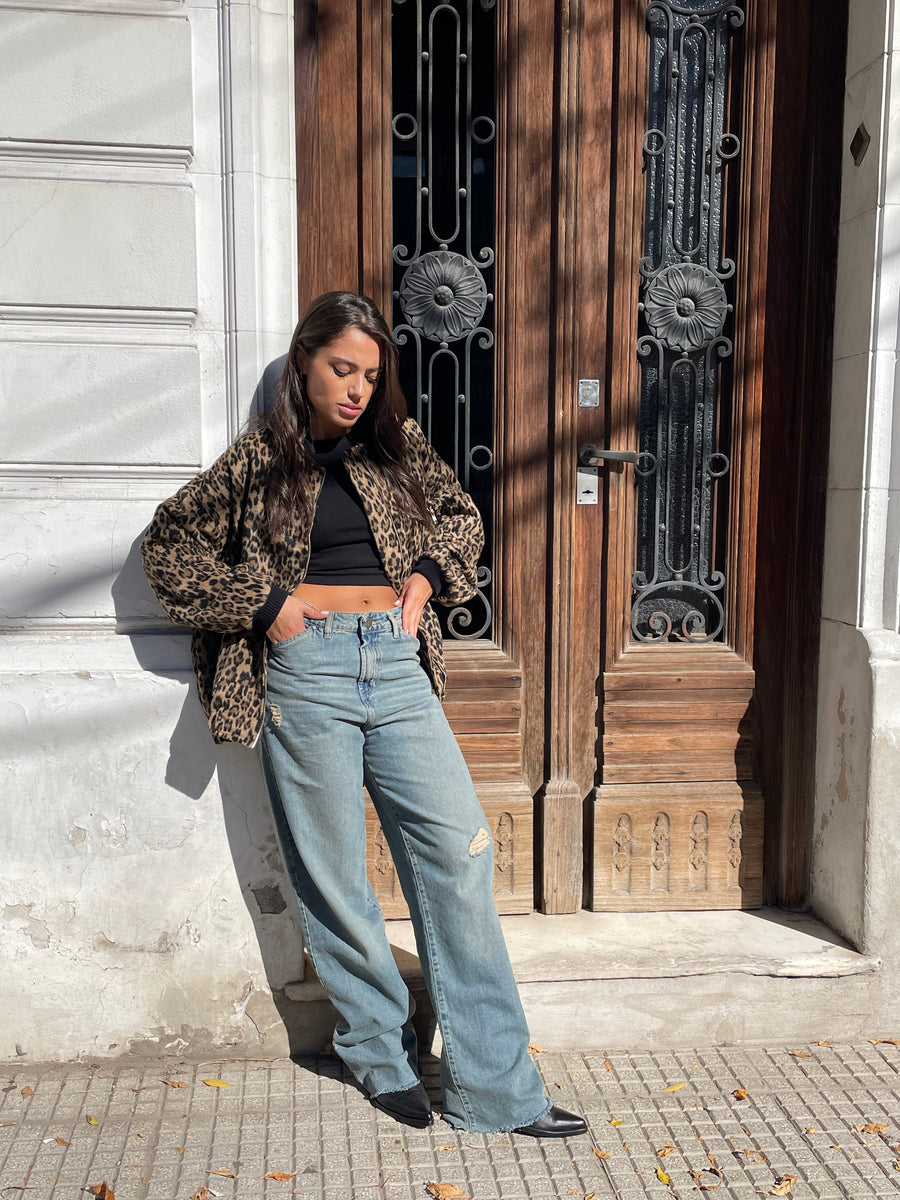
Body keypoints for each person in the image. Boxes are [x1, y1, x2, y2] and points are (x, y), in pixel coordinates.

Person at [141, 291, 587, 1138]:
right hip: (303, 669)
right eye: (342, 369)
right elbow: (169, 547)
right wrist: (265, 601)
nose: (356, 389)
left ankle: (495, 1087)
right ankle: (380, 1054)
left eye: (371, 375)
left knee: (458, 855)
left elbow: (460, 520)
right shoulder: (258, 461)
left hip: (395, 658)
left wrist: (422, 581)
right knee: (336, 874)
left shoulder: (394, 446)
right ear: (304, 362)